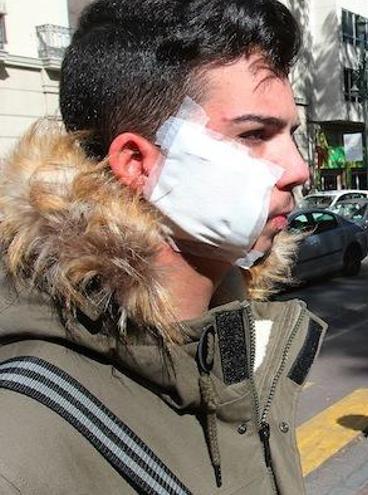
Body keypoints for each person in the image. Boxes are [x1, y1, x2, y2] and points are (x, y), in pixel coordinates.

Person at [0, 1, 327, 493]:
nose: (298, 168)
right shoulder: (19, 447)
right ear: (137, 163)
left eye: (290, 135)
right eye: (254, 134)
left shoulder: (241, 354)